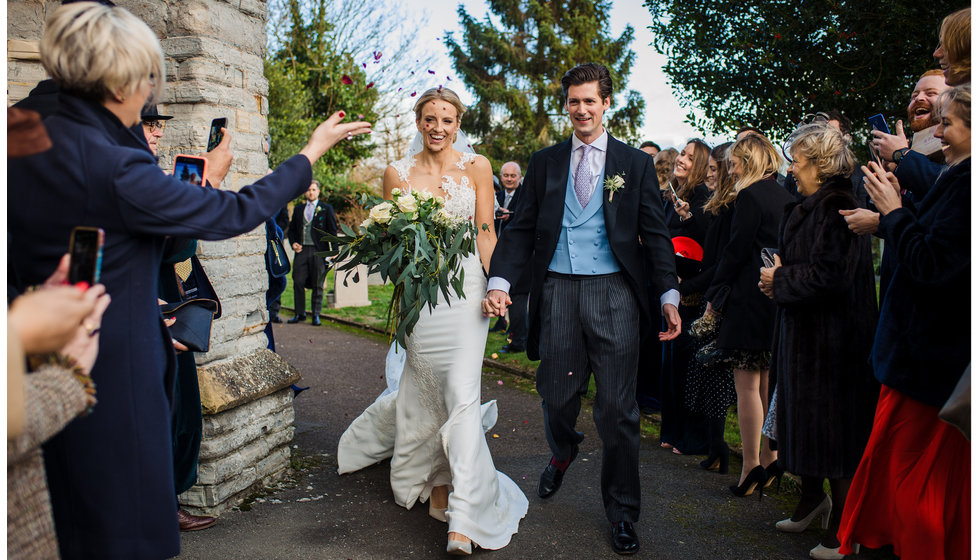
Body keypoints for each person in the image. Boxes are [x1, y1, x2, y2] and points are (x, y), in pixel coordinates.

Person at [6, 4, 371, 557]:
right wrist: (309, 153)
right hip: (109, 367)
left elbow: (86, 233)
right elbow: (236, 213)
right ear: (125, 79)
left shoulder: (21, 129)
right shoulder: (112, 165)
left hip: (29, 363)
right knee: (123, 525)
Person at [484, 62, 682, 556]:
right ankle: (564, 449)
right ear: (566, 105)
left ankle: (621, 511)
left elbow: (656, 236)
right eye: (573, 101)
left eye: (589, 100)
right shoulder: (545, 161)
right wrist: (502, 279)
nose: (581, 109)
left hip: (615, 292)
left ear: (605, 103)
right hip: (558, 292)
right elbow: (523, 228)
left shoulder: (633, 164)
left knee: (618, 410)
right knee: (555, 396)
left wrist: (669, 294)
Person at [337, 87, 528, 555]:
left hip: (465, 294)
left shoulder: (477, 167)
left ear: (458, 124)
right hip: (422, 302)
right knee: (428, 398)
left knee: (462, 396)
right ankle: (438, 487)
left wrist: (496, 286)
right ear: (418, 122)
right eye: (429, 118)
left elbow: (485, 232)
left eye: (447, 119)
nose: (437, 127)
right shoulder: (396, 174)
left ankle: (464, 515)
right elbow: (392, 246)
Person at [837, 84, 971, 560]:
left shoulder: (968, 183)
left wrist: (892, 214)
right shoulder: (957, 176)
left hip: (929, 364)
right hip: (922, 360)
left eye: (948, 124)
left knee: (916, 494)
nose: (939, 134)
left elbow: (934, 265)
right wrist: (897, 208)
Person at [759, 124, 879, 560]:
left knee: (834, 435)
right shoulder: (806, 205)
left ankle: (847, 529)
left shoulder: (839, 204)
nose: (791, 167)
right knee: (802, 426)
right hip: (804, 335)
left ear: (819, 162)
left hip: (835, 343)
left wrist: (780, 279)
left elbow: (832, 277)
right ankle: (812, 500)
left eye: (797, 159)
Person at [138, 105, 219, 532]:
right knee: (158, 406)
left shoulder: (154, 178)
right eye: (147, 123)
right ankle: (158, 510)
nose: (155, 132)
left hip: (167, 294)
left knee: (180, 403)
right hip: (138, 302)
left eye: (157, 125)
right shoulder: (129, 179)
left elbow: (178, 251)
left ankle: (166, 501)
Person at [700, 134, 794, 497]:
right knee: (768, 383)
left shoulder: (750, 196)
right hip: (774, 297)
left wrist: (713, 297)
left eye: (736, 161)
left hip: (747, 299)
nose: (731, 167)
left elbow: (735, 251)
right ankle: (771, 457)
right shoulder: (785, 194)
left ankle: (751, 464)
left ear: (749, 161)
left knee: (747, 387)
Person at [682, 141, 737, 475]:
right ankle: (714, 445)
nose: (710, 175)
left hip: (720, 299)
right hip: (710, 294)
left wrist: (688, 287)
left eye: (715, 170)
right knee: (703, 374)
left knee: (715, 377)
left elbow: (720, 262)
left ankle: (719, 447)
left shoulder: (732, 208)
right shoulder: (719, 206)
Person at [659, 139, 712, 456]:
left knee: (688, 370)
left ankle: (691, 437)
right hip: (670, 293)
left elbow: (709, 248)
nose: (681, 160)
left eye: (690, 158)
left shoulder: (702, 199)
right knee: (670, 368)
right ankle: (672, 431)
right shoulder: (672, 197)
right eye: (682, 154)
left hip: (692, 297)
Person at [286, 180, 338, 326]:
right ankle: (299, 313)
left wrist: (334, 251)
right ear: (305, 192)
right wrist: (293, 243)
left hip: (319, 251)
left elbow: (332, 231)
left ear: (318, 192)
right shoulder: (298, 209)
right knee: (298, 281)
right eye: (308, 190)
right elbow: (292, 231)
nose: (311, 192)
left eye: (314, 190)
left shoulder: (326, 209)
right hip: (302, 250)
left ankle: (316, 315)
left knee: (318, 283)